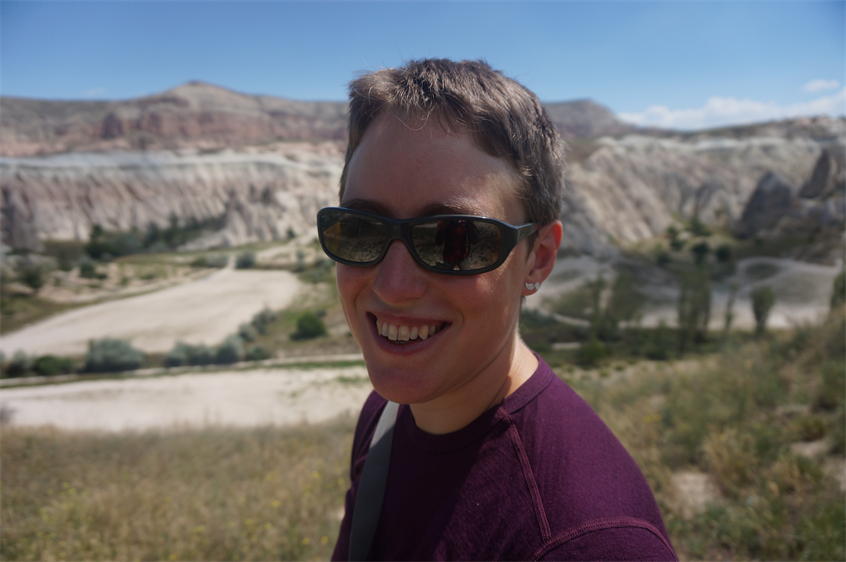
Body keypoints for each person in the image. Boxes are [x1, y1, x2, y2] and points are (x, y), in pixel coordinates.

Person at [317, 59, 677, 562]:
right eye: (360, 230)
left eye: (455, 241)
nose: (394, 287)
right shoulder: (387, 417)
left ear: (538, 258)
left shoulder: (591, 543)